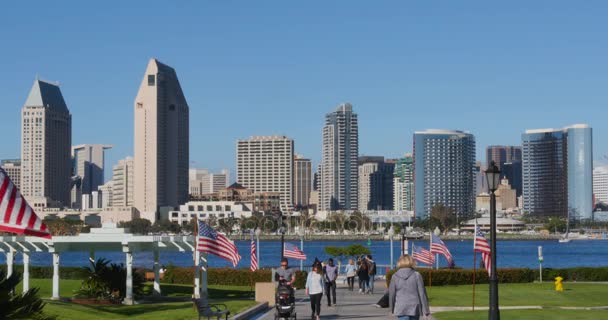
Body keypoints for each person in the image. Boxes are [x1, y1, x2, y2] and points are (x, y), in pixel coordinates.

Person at [389, 255, 431, 320]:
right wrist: (426, 311)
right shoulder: (417, 275)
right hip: (414, 307)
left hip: (401, 307)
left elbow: (392, 295)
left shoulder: (394, 276)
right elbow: (422, 294)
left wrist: (391, 310)